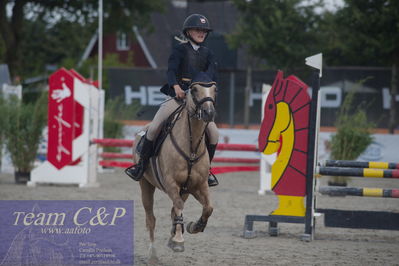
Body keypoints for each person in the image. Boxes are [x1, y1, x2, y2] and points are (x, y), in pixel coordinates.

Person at [125, 14, 219, 187]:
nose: (202, 33)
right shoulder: (180, 50)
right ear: (189, 31)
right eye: (198, 30)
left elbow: (211, 76)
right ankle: (141, 166)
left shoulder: (208, 53)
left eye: (204, 31)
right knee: (154, 128)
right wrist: (176, 86)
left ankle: (207, 169)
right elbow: (171, 71)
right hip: (177, 97)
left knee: (214, 134)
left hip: (197, 102)